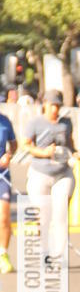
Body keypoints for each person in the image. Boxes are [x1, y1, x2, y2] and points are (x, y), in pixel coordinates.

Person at [23, 90, 79, 260]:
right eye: (52, 105)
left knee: (61, 214)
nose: (55, 109)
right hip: (40, 172)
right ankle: (43, 251)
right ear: (45, 104)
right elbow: (26, 146)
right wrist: (43, 152)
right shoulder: (35, 123)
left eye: (58, 105)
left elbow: (70, 143)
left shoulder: (66, 123)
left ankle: (58, 255)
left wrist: (75, 153)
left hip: (62, 173)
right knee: (43, 216)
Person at [0, 110, 17, 274]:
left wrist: (9, 155)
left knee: (4, 218)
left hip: (2, 177)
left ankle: (3, 254)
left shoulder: (5, 121)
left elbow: (14, 144)